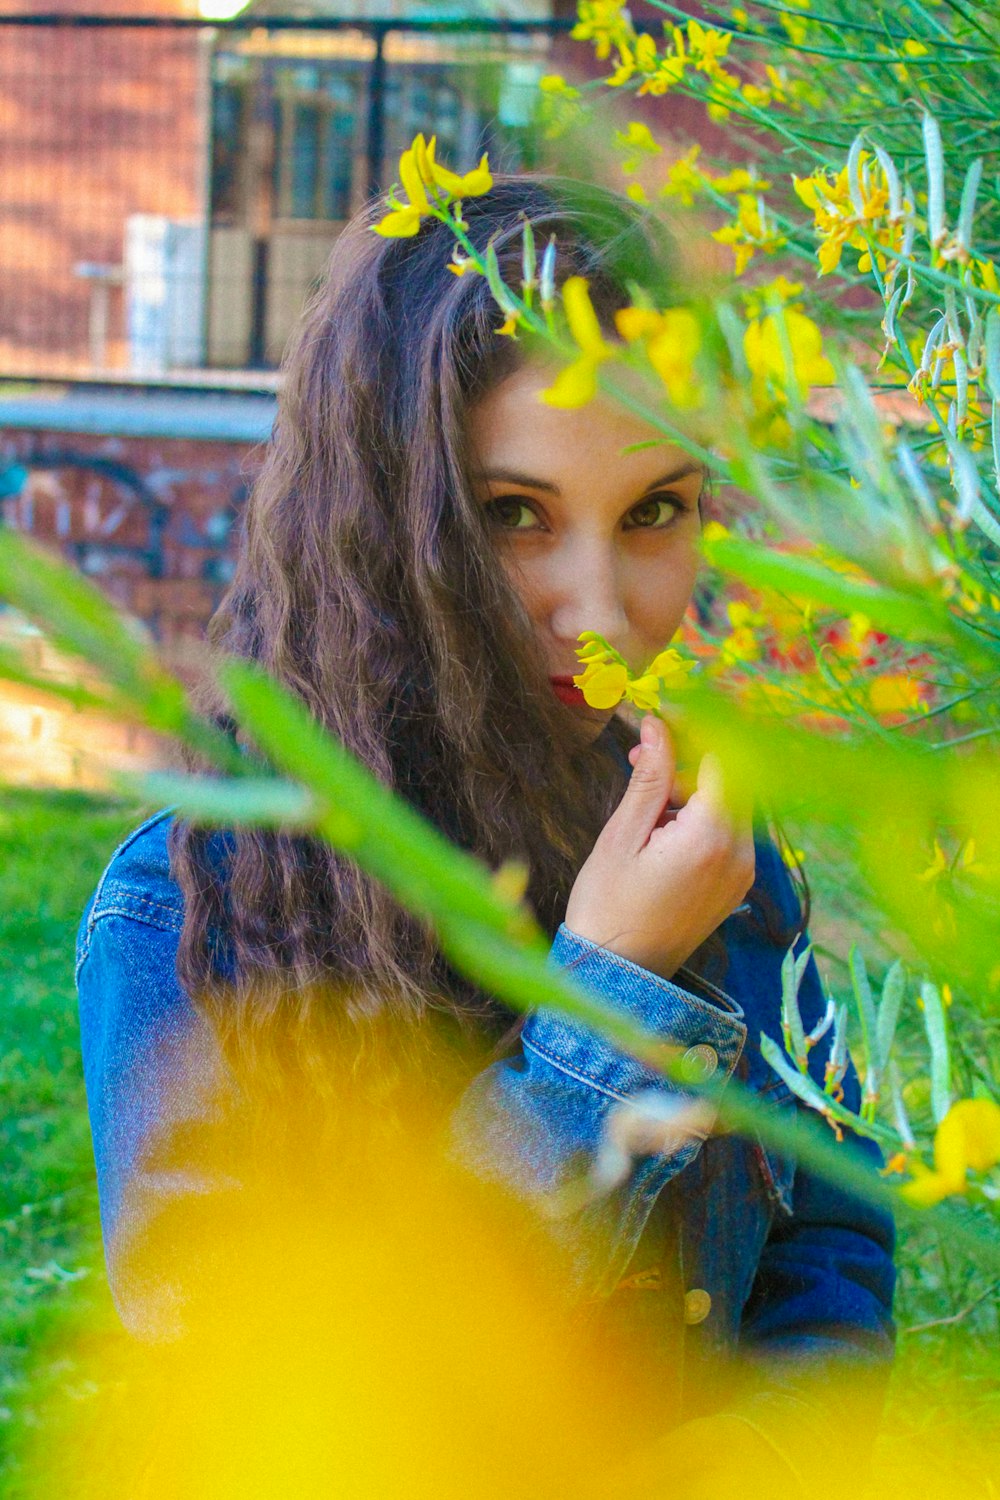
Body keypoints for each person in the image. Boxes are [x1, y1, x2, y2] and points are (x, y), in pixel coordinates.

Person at [76, 173, 895, 1491]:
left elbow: (834, 1245)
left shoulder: (711, 848)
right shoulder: (196, 911)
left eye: (655, 512)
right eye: (515, 514)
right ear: (394, 519)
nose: (603, 611)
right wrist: (607, 1006)